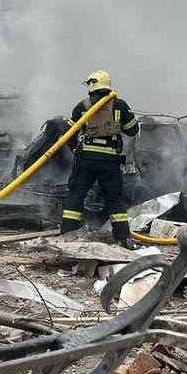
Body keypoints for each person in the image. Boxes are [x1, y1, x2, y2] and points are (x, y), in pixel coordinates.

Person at [61, 70, 140, 247]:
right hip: (110, 161)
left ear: (90, 85)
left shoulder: (82, 106)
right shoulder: (120, 105)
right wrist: (119, 122)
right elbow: (133, 130)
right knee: (114, 199)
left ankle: (66, 236)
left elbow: (68, 133)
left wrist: (75, 149)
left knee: (76, 195)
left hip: (86, 160)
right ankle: (122, 238)